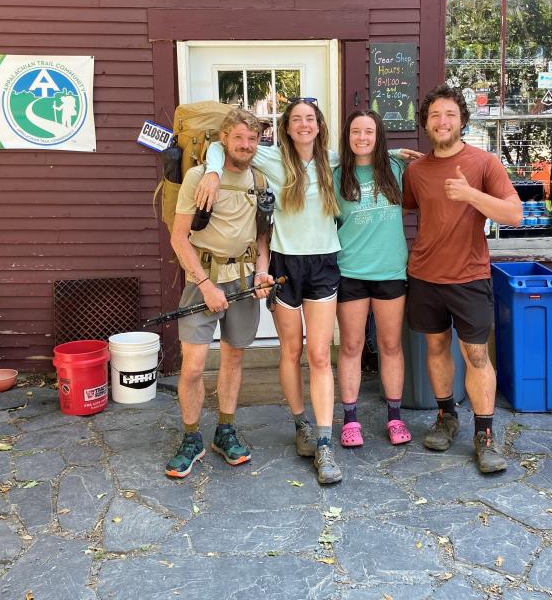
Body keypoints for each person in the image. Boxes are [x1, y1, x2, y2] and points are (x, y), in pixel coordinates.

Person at [197, 99, 344, 484]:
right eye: (296, 119)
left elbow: (367, 151)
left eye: (309, 119)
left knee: (319, 355)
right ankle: (302, 426)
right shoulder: (271, 159)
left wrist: (393, 154)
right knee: (291, 351)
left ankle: (326, 443)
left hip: (324, 262)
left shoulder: (330, 160)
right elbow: (217, 145)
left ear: (318, 124)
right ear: (287, 127)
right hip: (284, 262)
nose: (303, 125)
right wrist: (212, 173)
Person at [402, 84, 522, 473]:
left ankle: (484, 436)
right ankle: (446, 417)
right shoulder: (416, 171)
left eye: (450, 114)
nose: (442, 121)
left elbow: (513, 215)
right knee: (436, 350)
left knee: (476, 354)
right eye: (435, 115)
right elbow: (400, 204)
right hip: (424, 276)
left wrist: (471, 195)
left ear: (462, 121)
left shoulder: (485, 163)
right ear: (426, 123)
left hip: (469, 276)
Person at [165, 108, 274, 479]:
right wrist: (206, 285)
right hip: (203, 282)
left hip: (244, 280)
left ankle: (224, 431)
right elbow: (179, 238)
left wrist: (262, 272)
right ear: (223, 139)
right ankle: (192, 436)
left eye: (252, 139)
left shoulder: (260, 180)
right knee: (193, 367)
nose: (245, 145)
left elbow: (262, 237)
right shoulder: (199, 177)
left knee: (233, 360)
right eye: (239, 138)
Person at [334, 110, 412, 448]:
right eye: (356, 132)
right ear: (348, 136)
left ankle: (395, 417)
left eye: (369, 131)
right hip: (350, 270)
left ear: (379, 136)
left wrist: (395, 155)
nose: (362, 137)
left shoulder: (396, 169)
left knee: (390, 345)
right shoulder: (336, 174)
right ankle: (350, 420)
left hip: (391, 271)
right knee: (351, 346)